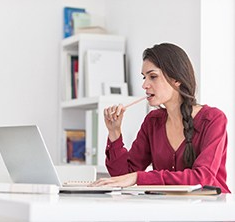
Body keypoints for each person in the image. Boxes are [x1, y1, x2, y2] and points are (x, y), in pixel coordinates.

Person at [91, 43, 230, 193]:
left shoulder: (213, 120)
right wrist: (114, 132)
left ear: (176, 79)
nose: (144, 85)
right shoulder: (153, 121)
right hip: (167, 212)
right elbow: (122, 176)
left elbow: (202, 178)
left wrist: (140, 178)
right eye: (144, 77)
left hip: (210, 212)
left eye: (153, 77)